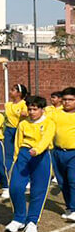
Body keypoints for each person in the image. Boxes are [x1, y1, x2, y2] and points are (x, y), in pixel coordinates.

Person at [5, 95, 55, 232]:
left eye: (35, 109)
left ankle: (32, 221)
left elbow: (46, 139)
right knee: (15, 187)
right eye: (30, 109)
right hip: (24, 155)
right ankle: (19, 218)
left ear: (42, 110)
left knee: (38, 190)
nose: (31, 112)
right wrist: (17, 158)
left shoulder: (49, 123)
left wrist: (37, 150)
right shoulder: (23, 124)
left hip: (41, 156)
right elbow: (18, 142)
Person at [51, 87, 75, 221]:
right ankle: (69, 207)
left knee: (73, 180)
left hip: (73, 153)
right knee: (62, 182)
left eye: (71, 100)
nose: (67, 102)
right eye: (65, 99)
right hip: (58, 152)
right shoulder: (56, 113)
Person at [3, 84, 29, 170]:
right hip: (9, 130)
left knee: (20, 151)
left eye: (12, 90)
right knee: (8, 152)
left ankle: (22, 170)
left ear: (19, 93)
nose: (10, 92)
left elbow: (26, 113)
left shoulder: (24, 104)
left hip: (20, 130)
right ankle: (9, 172)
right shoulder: (7, 105)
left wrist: (25, 113)